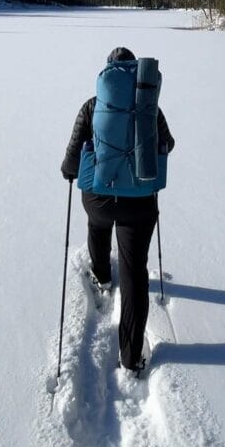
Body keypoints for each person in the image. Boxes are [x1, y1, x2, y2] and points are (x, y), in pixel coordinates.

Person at [61, 47, 175, 374]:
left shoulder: (93, 104)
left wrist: (70, 170)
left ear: (108, 73)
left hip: (98, 196)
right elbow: (168, 144)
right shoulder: (148, 106)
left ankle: (101, 276)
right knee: (135, 270)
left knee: (97, 229)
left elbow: (71, 158)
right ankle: (131, 356)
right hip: (139, 201)